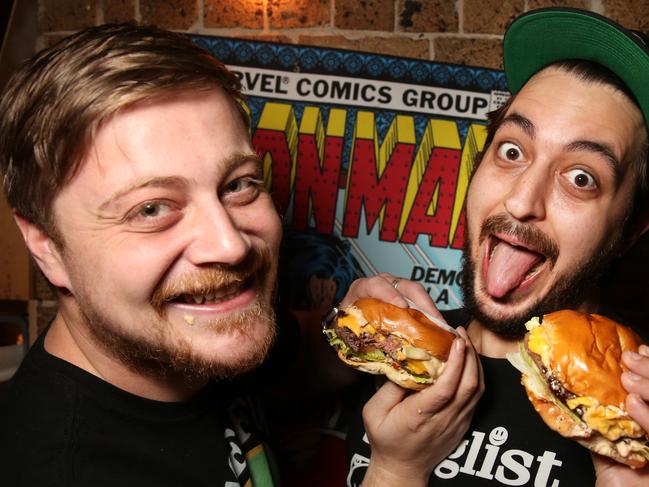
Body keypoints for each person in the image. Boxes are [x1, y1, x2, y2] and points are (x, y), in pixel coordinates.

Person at [340, 8, 649, 486]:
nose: (522, 200)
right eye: (511, 151)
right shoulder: (390, 347)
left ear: (631, 229)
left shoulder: (632, 424)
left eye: (581, 178)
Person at [0, 24, 283, 486]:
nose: (230, 246)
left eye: (238, 185)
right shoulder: (59, 469)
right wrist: (396, 470)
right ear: (46, 246)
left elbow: (307, 355)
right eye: (151, 209)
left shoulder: (206, 320)